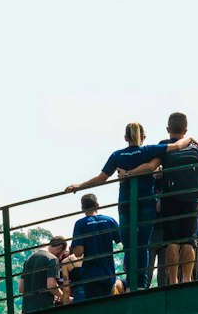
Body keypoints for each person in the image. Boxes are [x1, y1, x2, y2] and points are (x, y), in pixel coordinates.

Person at [118, 113, 198, 286]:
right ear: (186, 130)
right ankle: (187, 278)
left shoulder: (162, 146)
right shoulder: (195, 148)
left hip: (169, 200)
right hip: (191, 199)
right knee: (189, 241)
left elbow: (151, 167)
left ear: (168, 129)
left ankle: (174, 279)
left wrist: (130, 173)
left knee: (172, 242)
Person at [66, 121, 155, 290]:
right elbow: (173, 148)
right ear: (143, 137)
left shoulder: (117, 155)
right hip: (147, 202)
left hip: (125, 204)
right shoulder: (149, 151)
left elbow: (101, 178)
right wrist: (190, 140)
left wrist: (79, 186)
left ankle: (131, 282)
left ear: (125, 138)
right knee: (142, 243)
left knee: (129, 245)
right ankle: (141, 284)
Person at [70, 194, 122, 301]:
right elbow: (121, 241)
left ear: (82, 208)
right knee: (108, 304)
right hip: (108, 272)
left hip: (91, 274)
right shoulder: (110, 221)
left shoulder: (80, 224)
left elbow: (79, 252)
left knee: (95, 306)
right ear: (97, 205)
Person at [19, 234, 66, 313]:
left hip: (26, 310)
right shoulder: (52, 259)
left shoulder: (29, 258)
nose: (60, 257)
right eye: (62, 254)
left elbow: (21, 288)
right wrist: (64, 296)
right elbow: (51, 286)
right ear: (60, 248)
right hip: (43, 309)